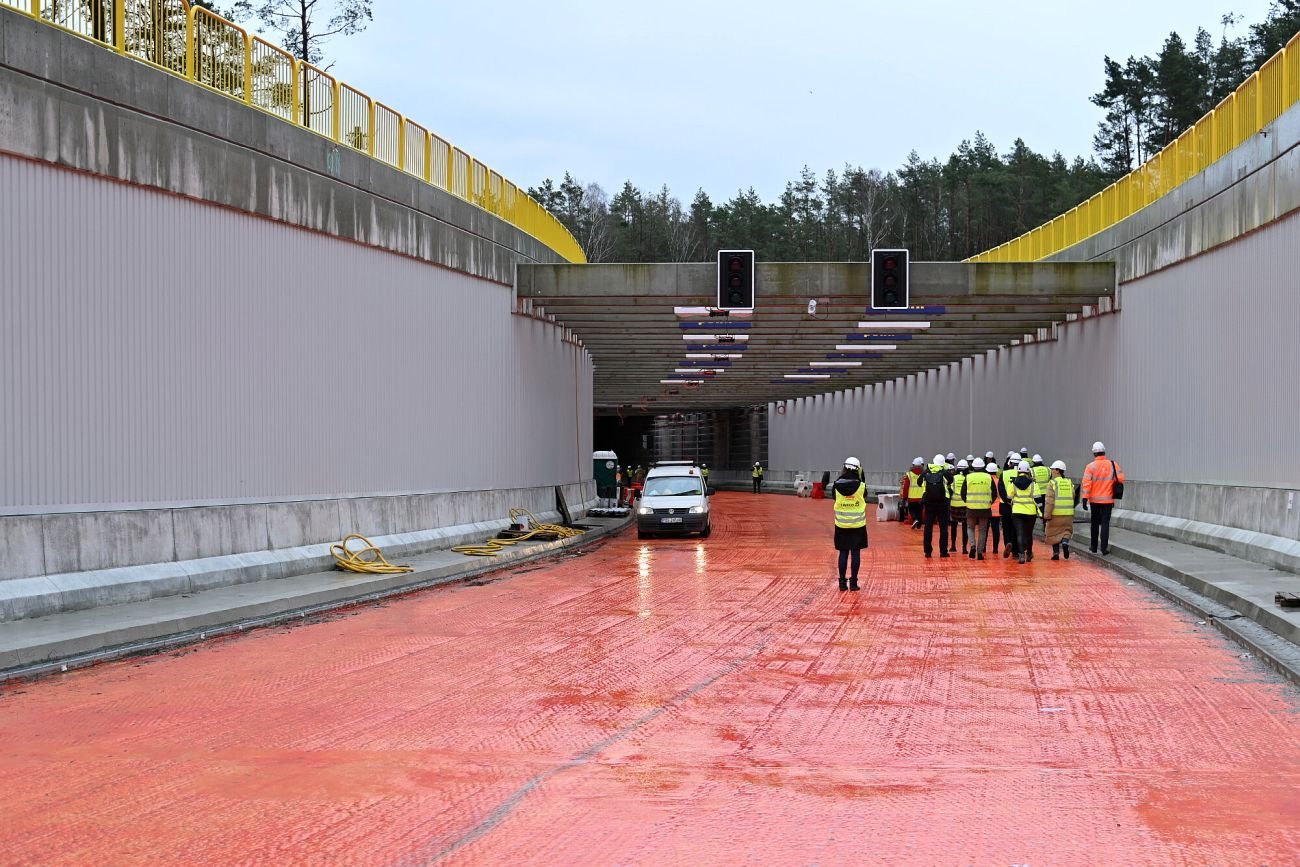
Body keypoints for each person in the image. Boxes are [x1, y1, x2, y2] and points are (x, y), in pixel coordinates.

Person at [833, 457, 869, 591]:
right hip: (858, 525)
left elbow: (834, 498)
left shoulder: (836, 485)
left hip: (841, 525)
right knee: (855, 554)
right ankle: (853, 583)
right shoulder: (861, 486)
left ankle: (842, 583)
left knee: (843, 553)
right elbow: (864, 496)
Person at [1082, 441, 1125, 554]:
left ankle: (1094, 546)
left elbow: (1087, 484)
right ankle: (1104, 548)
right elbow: (1120, 479)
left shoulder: (1090, 466)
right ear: (1104, 451)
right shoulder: (1113, 464)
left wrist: (1084, 498)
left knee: (1095, 523)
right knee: (1105, 523)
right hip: (1108, 500)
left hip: (1094, 500)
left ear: (1094, 454)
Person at [1045, 460, 1079, 560]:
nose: (1051, 471)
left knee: (1054, 533)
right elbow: (1073, 497)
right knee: (1066, 532)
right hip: (1068, 514)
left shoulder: (1052, 483)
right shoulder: (1069, 483)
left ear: (1057, 471)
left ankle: (1056, 553)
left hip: (1056, 514)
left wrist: (1047, 515)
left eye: (1052, 469)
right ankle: (1065, 542)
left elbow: (1049, 501)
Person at [920, 454, 953, 558]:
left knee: (928, 527)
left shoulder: (926, 472)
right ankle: (943, 551)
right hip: (943, 503)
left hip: (929, 503)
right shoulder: (945, 473)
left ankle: (928, 551)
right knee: (943, 528)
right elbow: (951, 481)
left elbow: (919, 482)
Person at [964, 458, 994, 559]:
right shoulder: (988, 477)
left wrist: (968, 502)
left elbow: (963, 493)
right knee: (982, 530)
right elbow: (994, 493)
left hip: (971, 508)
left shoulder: (968, 477)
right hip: (984, 508)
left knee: (970, 528)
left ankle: (972, 546)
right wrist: (989, 502)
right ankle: (980, 552)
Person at [1009, 460, 1039, 563]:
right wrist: (1041, 511)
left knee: (1020, 533)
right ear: (1028, 471)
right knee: (1029, 534)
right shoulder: (1033, 484)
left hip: (1017, 512)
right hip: (1030, 513)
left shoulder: (1013, 483)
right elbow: (1038, 499)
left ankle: (1021, 555)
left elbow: (1009, 497)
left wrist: (1013, 503)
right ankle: (1029, 554)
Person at [999, 452, 1020, 559]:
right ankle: (1015, 551)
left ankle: (1008, 543)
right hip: (1018, 505)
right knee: (1016, 528)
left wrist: (1007, 501)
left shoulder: (1004, 474)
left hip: (1005, 506)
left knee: (1006, 527)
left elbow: (1001, 489)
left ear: (1009, 463)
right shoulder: (1022, 473)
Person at [948, 459, 969, 554]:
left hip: (954, 505)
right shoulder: (968, 478)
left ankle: (953, 546)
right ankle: (964, 548)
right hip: (965, 505)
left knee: (953, 526)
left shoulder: (953, 478)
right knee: (965, 527)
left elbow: (950, 490)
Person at [902, 457, 925, 528]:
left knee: (911, 510)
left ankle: (915, 520)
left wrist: (904, 497)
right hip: (921, 497)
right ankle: (919, 523)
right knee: (919, 511)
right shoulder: (924, 474)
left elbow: (906, 487)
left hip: (911, 497)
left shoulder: (909, 474)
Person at [1031, 454, 1051, 530]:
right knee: (1045, 512)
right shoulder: (1048, 469)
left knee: (1036, 512)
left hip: (1036, 495)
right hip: (1046, 494)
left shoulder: (1032, 470)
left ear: (1033, 462)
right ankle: (1045, 528)